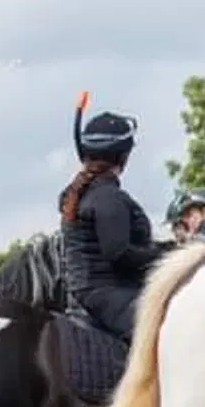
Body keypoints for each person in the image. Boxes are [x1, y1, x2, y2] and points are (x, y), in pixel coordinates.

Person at [59, 108, 167, 343]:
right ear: (123, 156)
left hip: (85, 295)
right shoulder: (108, 197)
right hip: (110, 296)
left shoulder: (79, 193)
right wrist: (166, 255)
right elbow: (118, 253)